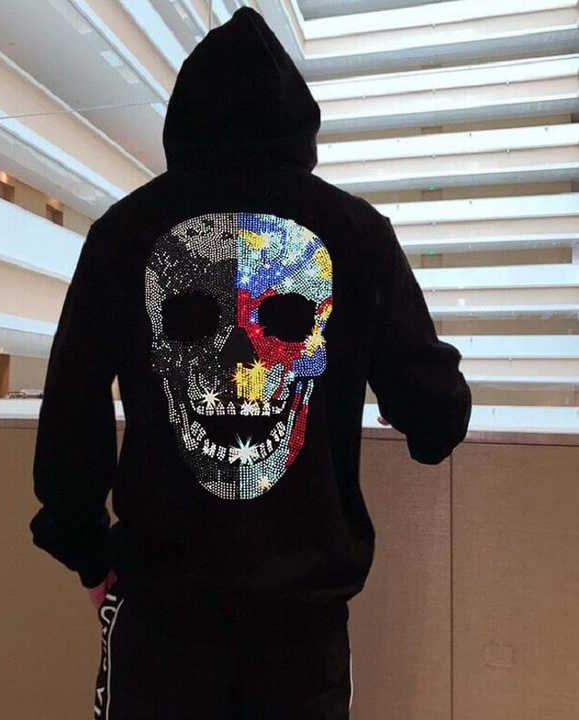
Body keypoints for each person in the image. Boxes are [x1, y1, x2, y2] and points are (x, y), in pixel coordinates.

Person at [29, 6, 472, 719]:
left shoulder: (125, 231)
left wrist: (85, 546)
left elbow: (70, 404)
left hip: (160, 617)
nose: (241, 373)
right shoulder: (355, 234)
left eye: (284, 322)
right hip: (302, 633)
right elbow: (435, 415)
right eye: (192, 322)